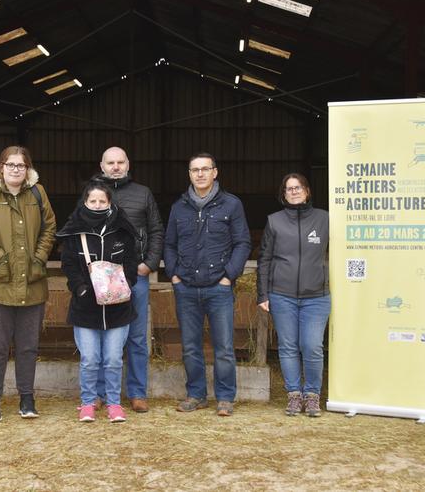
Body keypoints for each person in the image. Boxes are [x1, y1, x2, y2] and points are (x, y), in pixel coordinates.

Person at [0, 146, 57, 422]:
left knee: (28, 346)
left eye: (21, 165)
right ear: (1, 167)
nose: (16, 169)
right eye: (10, 164)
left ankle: (26, 399)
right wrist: (1, 258)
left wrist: (38, 259)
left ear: (28, 169)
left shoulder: (37, 194)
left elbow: (49, 228)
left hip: (32, 283)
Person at [163, 152, 251, 417]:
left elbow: (242, 243)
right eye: (194, 170)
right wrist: (174, 275)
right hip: (186, 286)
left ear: (215, 172)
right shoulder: (179, 207)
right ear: (189, 174)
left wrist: (229, 277)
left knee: (223, 346)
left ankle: (225, 398)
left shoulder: (231, 205)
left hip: (218, 287)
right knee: (190, 345)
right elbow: (169, 244)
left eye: (205, 169)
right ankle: (196, 394)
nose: (199, 174)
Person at [57, 180, 138, 423]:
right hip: (86, 308)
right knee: (90, 359)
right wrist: (81, 289)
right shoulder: (74, 232)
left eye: (103, 201)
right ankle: (88, 402)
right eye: (93, 200)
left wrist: (125, 285)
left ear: (110, 203)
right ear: (85, 202)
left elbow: (132, 262)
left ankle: (114, 403)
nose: (98, 205)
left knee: (113, 359)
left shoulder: (122, 231)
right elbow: (69, 266)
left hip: (119, 307)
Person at [92, 146, 163, 413]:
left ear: (128, 164)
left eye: (120, 162)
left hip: (134, 276)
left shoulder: (142, 193)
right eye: (110, 162)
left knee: (136, 337)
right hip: (102, 275)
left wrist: (149, 264)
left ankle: (137, 393)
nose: (115, 167)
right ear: (102, 165)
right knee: (102, 333)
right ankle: (99, 393)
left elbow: (157, 229)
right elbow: (80, 230)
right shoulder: (93, 192)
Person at [257, 173, 330, 417]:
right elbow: (264, 259)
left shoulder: (324, 219)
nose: (294, 191)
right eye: (289, 189)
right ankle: (294, 395)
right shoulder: (275, 221)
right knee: (287, 346)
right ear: (284, 195)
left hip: (316, 296)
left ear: (307, 191)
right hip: (282, 295)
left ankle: (312, 395)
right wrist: (262, 293)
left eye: (298, 187)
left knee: (312, 346)